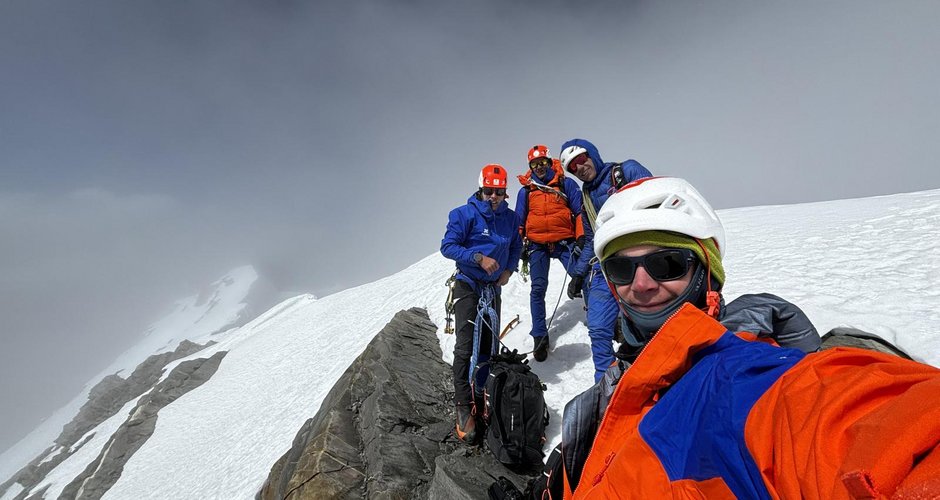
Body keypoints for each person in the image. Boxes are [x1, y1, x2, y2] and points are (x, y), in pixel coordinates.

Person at [557, 176, 940, 499]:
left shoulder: (740, 376)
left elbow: (866, 424)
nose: (641, 284)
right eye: (622, 269)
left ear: (708, 273)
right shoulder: (613, 391)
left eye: (667, 263)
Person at [440, 164, 523, 444]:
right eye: (490, 191)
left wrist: (508, 270)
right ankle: (464, 406)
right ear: (481, 189)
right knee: (465, 346)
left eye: (499, 192)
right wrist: (478, 259)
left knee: (488, 346)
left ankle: (482, 395)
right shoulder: (463, 214)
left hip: (492, 289)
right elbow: (448, 246)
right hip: (468, 284)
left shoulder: (510, 219)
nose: (494, 197)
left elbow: (515, 246)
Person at [559, 139, 652, 381]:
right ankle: (606, 385)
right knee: (598, 328)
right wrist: (578, 274)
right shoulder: (586, 197)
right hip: (606, 264)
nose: (579, 168)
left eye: (581, 159)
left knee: (649, 325)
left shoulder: (626, 172)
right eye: (572, 168)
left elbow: (656, 207)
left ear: (593, 154)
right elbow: (591, 239)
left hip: (640, 259)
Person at [514, 145, 585, 362]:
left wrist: (581, 236)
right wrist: (518, 246)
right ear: (530, 167)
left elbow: (580, 210)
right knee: (538, 289)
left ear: (549, 162)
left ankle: (603, 319)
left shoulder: (565, 183)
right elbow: (519, 220)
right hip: (537, 245)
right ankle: (539, 337)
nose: (539, 167)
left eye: (543, 162)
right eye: (534, 164)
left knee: (584, 277)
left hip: (564, 242)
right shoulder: (526, 191)